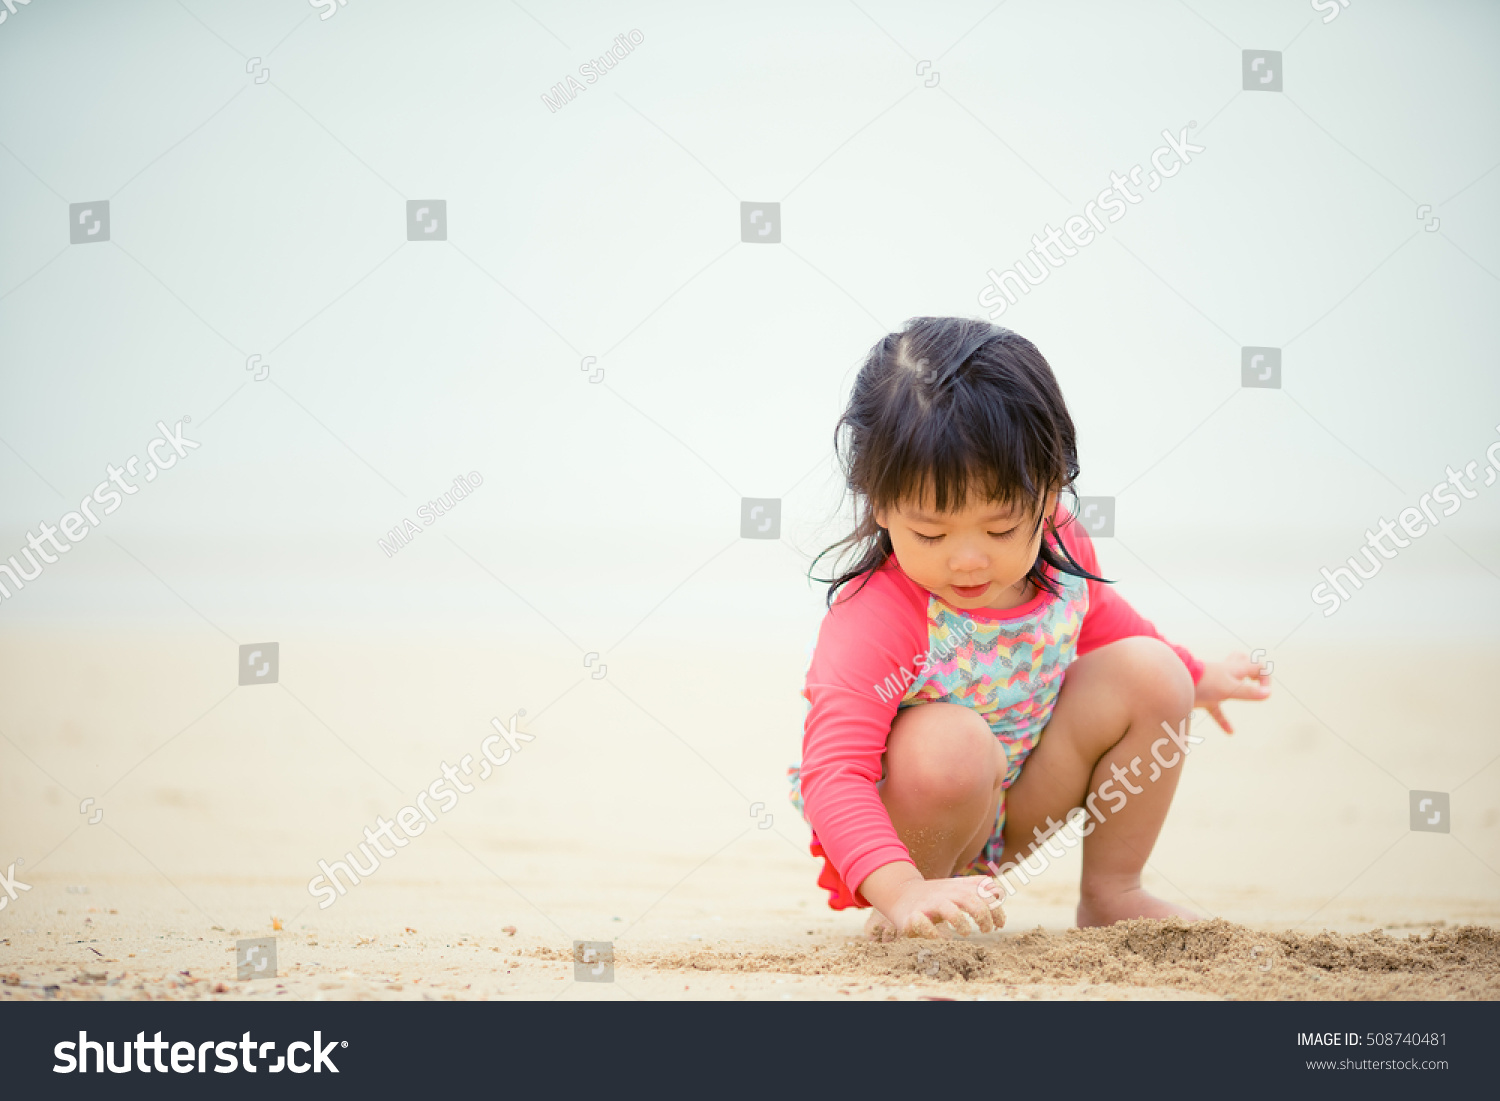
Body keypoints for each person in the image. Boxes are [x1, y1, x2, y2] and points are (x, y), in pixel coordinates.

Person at [788, 317, 1271, 940]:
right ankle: (911, 915)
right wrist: (901, 887)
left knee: (1154, 671)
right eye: (931, 533)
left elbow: (1104, 627)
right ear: (878, 502)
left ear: (1048, 495)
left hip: (1019, 797)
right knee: (951, 742)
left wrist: (1198, 675)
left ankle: (1112, 892)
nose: (968, 560)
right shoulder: (878, 616)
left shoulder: (1060, 546)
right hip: (905, 834)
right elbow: (835, 774)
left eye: (999, 529)